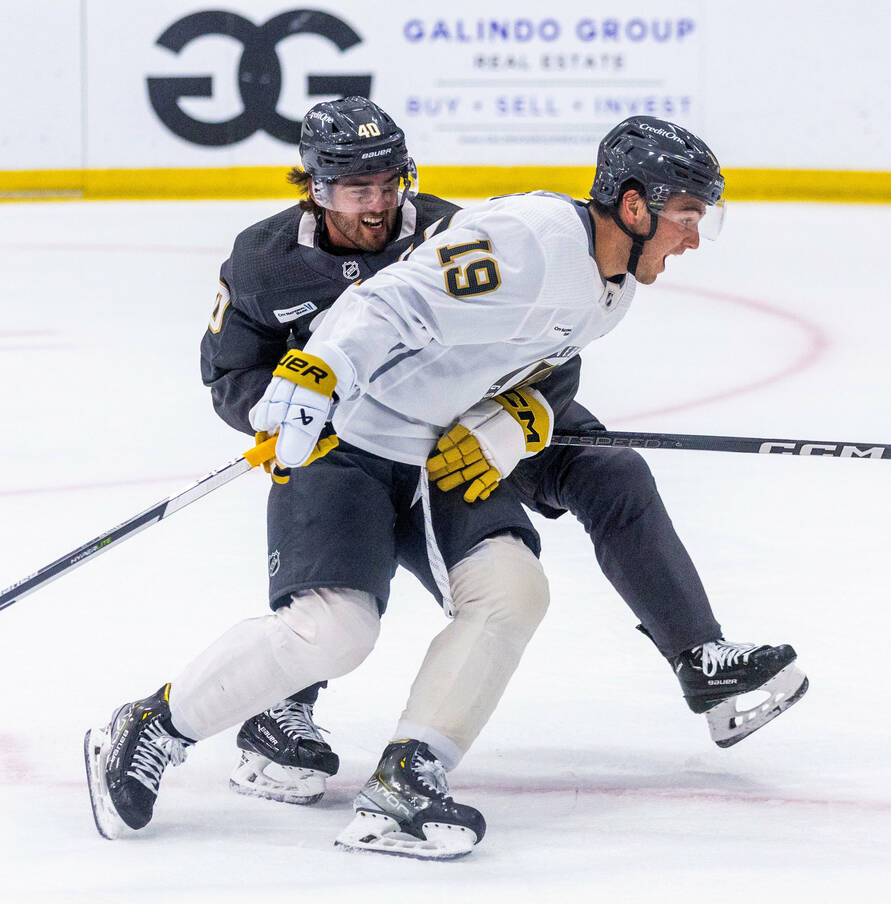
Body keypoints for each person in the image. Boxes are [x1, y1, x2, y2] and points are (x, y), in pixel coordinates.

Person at [86, 112, 808, 860]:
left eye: (385, 182)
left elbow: (537, 360)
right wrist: (310, 376)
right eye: (688, 216)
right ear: (635, 205)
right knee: (334, 631)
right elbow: (385, 300)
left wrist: (518, 414)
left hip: (437, 448)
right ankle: (150, 727)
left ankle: (407, 778)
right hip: (348, 443)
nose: (694, 237)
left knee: (513, 591)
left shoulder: (611, 289)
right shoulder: (530, 237)